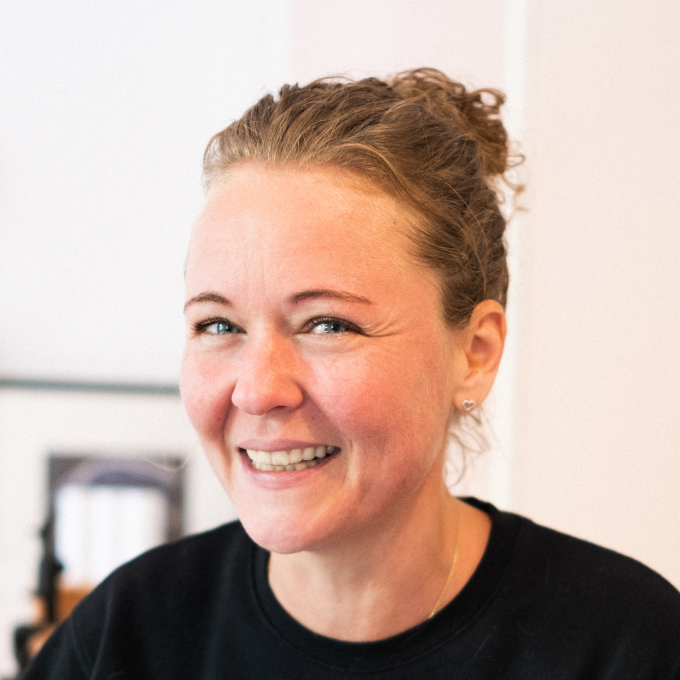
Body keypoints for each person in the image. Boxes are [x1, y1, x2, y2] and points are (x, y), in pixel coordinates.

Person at [24, 68, 680, 679]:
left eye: (328, 324)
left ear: (474, 353)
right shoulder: (123, 638)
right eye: (218, 326)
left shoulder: (626, 645)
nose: (258, 390)